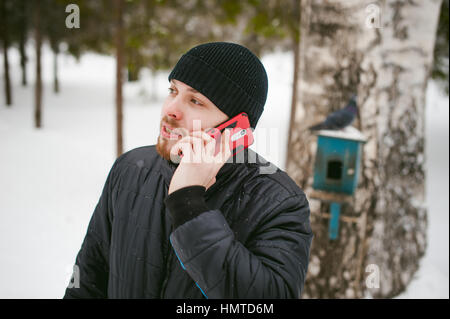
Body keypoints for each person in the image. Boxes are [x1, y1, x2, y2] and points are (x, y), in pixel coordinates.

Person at [64, 42, 313, 299]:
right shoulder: (129, 169)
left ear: (236, 128)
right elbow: (88, 283)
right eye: (173, 90)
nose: (170, 110)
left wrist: (189, 207)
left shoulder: (279, 203)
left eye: (195, 100)